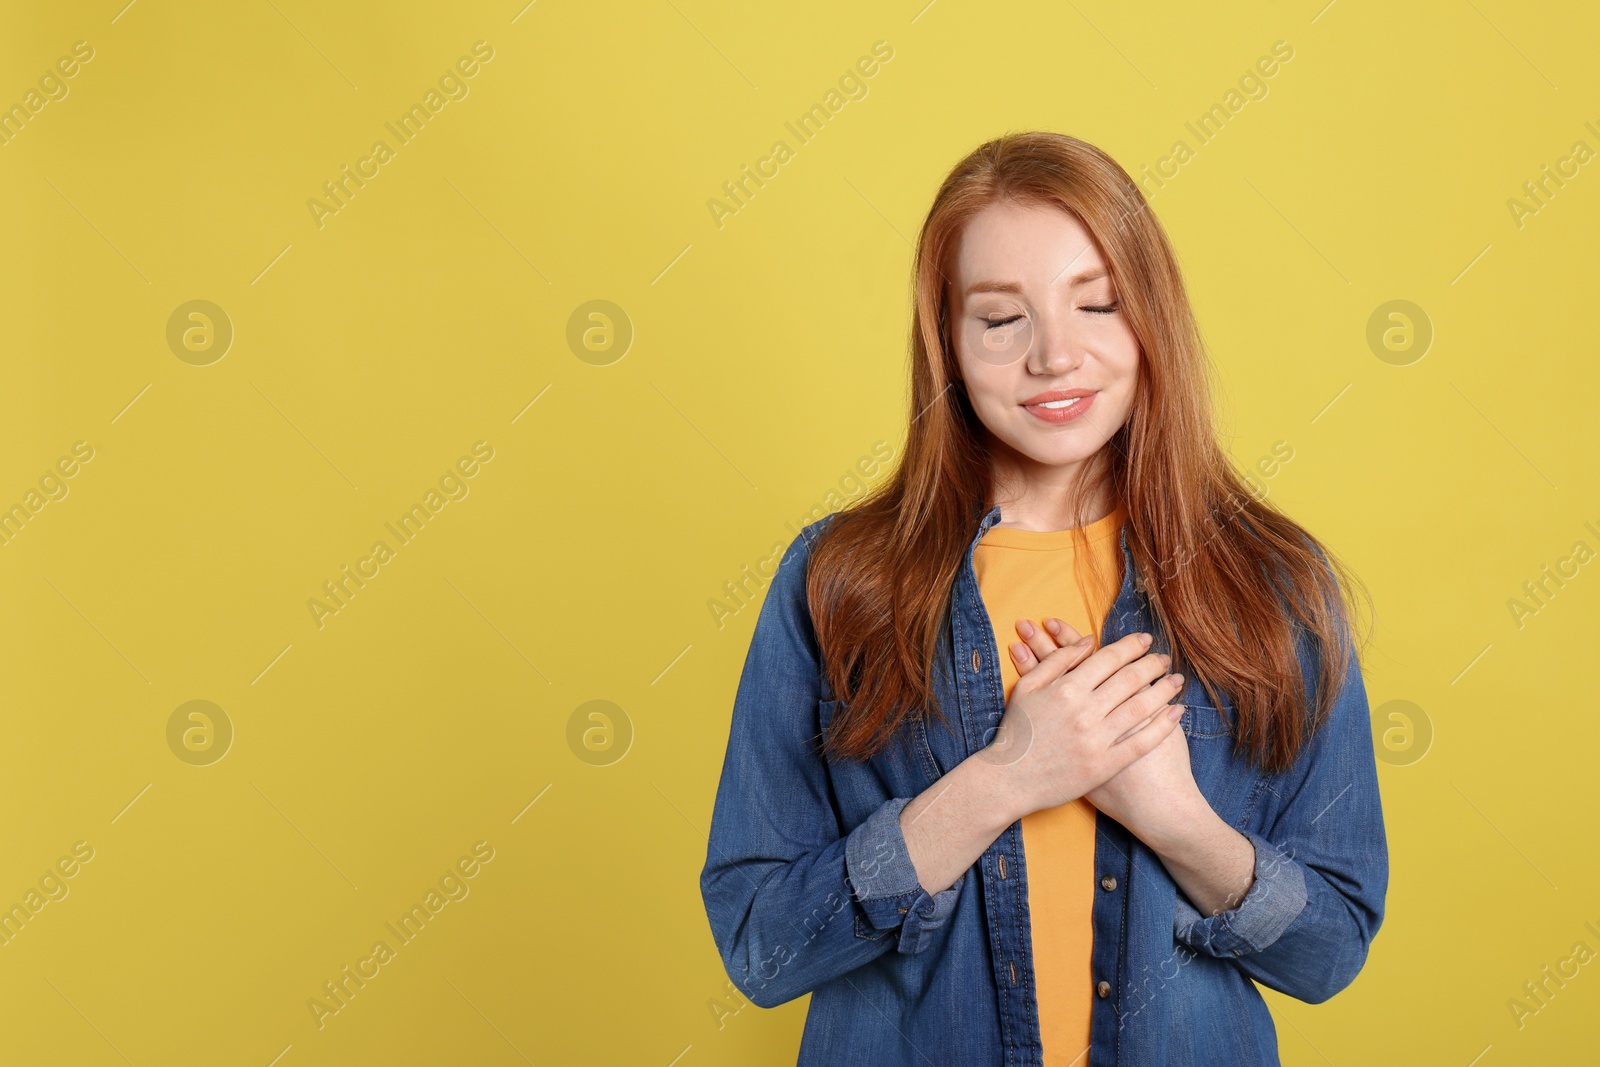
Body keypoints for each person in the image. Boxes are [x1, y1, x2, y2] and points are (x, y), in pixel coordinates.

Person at [699, 130, 1388, 1066]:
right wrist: (1004, 778)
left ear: (1152, 318)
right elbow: (761, 944)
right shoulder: (839, 582)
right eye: (999, 319)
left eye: (1096, 303)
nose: (1055, 357)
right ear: (947, 341)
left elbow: (1330, 948)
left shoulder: (1272, 584)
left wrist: (1173, 816)